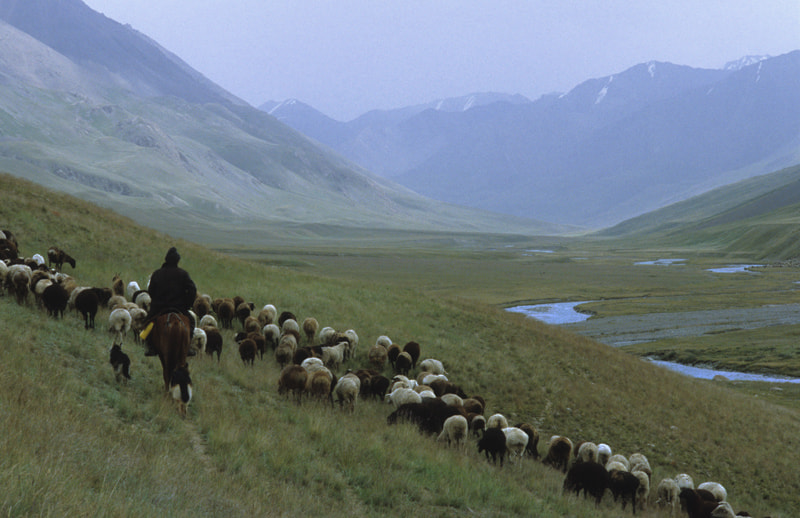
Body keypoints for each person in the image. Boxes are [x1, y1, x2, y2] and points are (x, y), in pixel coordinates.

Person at [142, 246, 197, 356]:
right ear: (177, 261)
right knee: (191, 322)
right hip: (179, 308)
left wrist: (156, 301)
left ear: (166, 260)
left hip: (159, 308)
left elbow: (151, 291)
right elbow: (192, 290)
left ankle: (150, 346)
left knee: (147, 323)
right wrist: (187, 304)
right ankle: (188, 346)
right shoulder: (183, 274)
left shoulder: (157, 273)